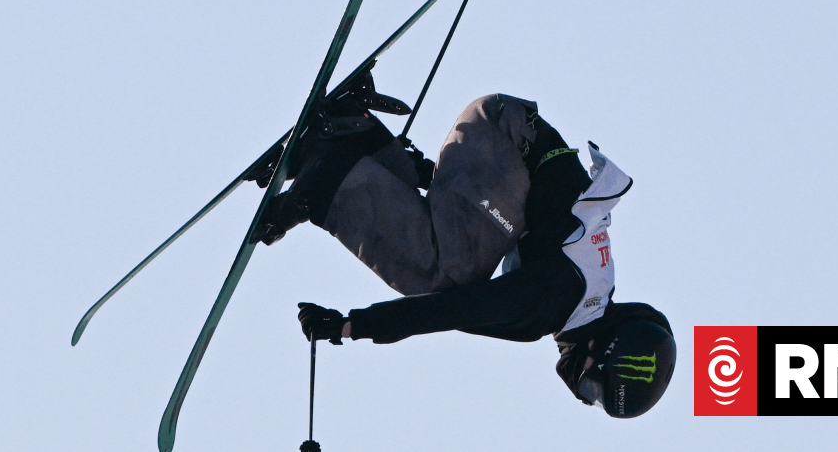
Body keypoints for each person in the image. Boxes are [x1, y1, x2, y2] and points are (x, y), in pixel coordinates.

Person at [258, 92, 676, 418]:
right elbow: (455, 309)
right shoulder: (556, 303)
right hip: (504, 139)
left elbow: (466, 301)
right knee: (440, 274)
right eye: (589, 385)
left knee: (458, 262)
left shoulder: (584, 291)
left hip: (503, 136)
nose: (577, 386)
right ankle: (329, 176)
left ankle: (356, 139)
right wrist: (352, 326)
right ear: (601, 348)